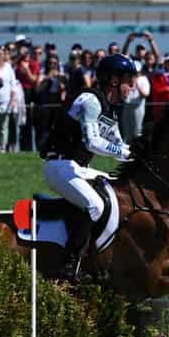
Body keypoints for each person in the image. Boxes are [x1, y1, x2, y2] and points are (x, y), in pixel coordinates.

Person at [40, 55, 135, 280]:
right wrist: (127, 153)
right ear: (114, 81)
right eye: (128, 81)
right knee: (95, 206)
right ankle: (69, 264)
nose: (132, 87)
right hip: (59, 166)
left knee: (117, 189)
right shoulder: (90, 101)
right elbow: (93, 142)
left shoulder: (111, 110)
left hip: (80, 168)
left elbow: (120, 146)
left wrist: (144, 156)